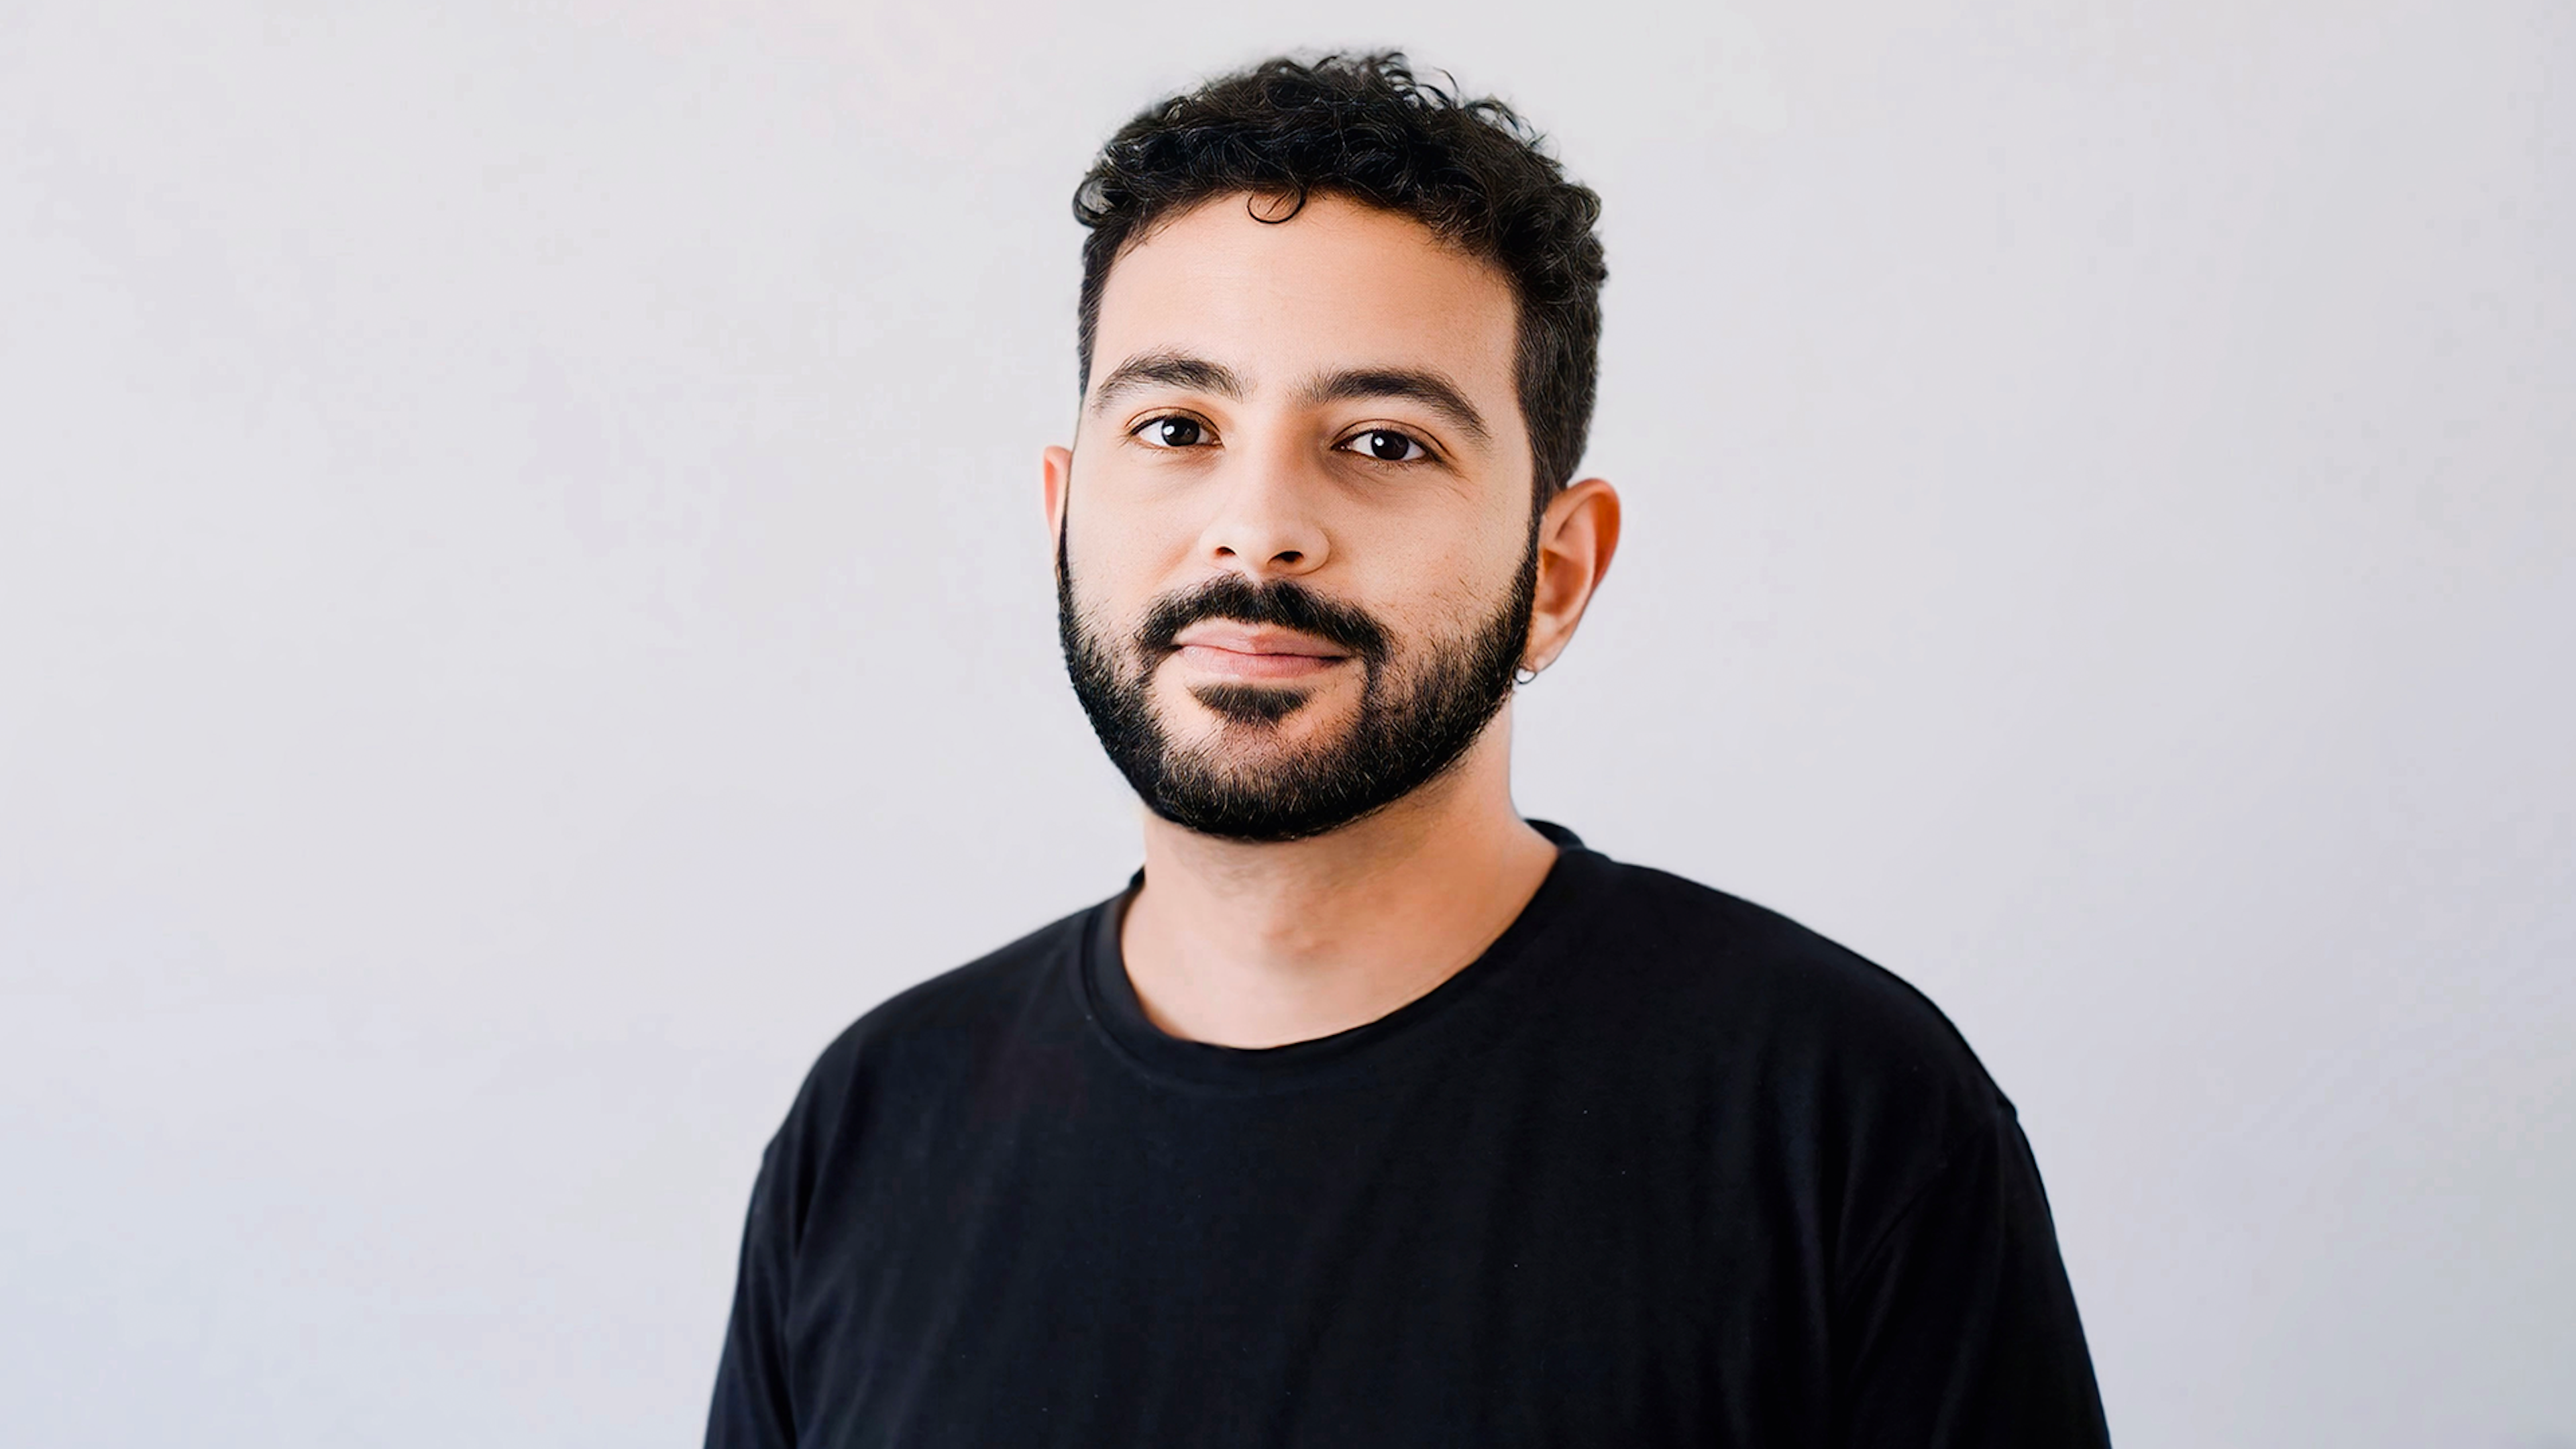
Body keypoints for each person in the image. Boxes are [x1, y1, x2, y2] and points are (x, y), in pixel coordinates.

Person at [704, 52, 2109, 1447]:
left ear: (1557, 572)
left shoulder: (1844, 1122)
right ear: (1063, 515)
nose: (1258, 530)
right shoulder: (872, 1127)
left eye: (1382, 443)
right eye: (1177, 427)